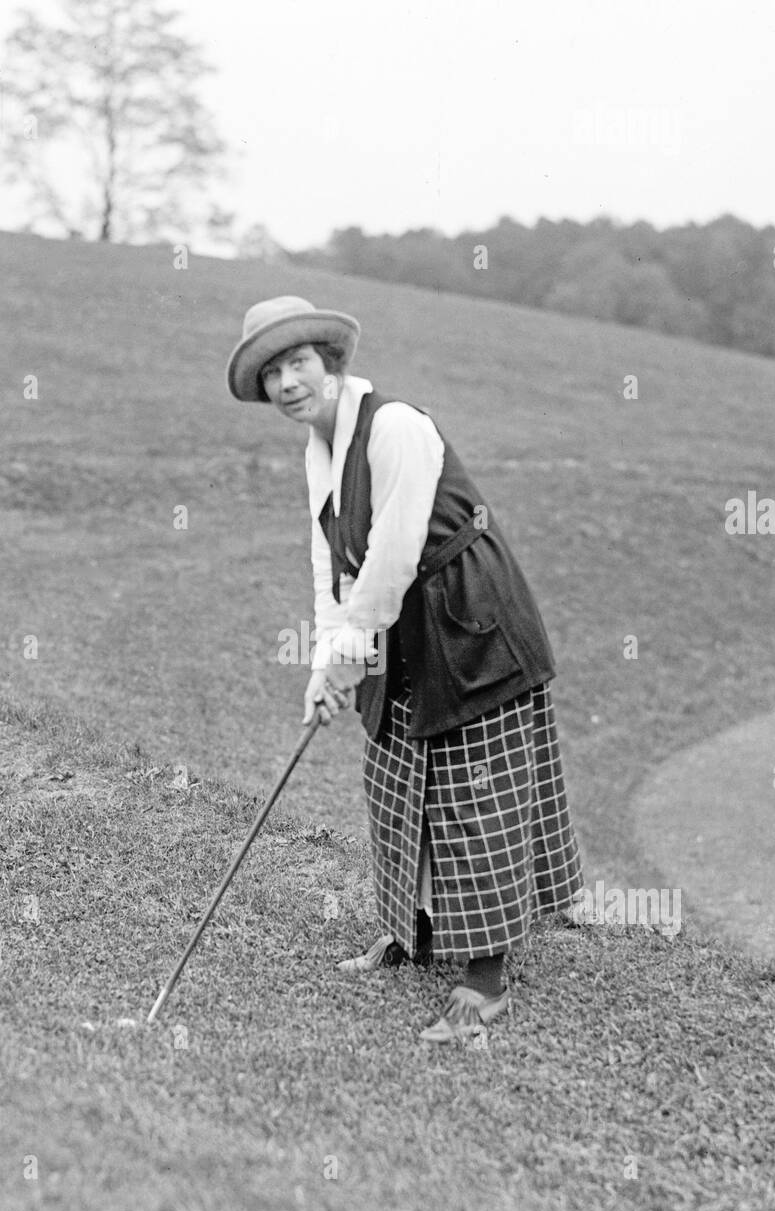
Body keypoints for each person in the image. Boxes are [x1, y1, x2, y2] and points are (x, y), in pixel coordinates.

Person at [226, 295, 584, 1043]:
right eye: (271, 373)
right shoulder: (317, 451)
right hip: (396, 625)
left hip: (467, 621)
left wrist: (351, 656)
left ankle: (484, 984)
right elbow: (333, 569)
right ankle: (410, 931)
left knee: (470, 793)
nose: (288, 382)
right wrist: (324, 667)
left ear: (330, 365)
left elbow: (388, 559)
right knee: (392, 777)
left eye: (298, 363)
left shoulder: (394, 428)